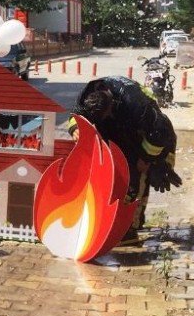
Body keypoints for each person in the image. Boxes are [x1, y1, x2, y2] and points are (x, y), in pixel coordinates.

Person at [68, 76, 182, 243]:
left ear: (111, 106)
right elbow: (76, 115)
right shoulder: (88, 94)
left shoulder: (136, 103)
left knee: (138, 175)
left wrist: (148, 158)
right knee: (116, 176)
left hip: (144, 136)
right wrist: (75, 128)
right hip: (119, 132)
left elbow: (161, 131)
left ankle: (131, 227)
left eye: (104, 116)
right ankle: (117, 218)